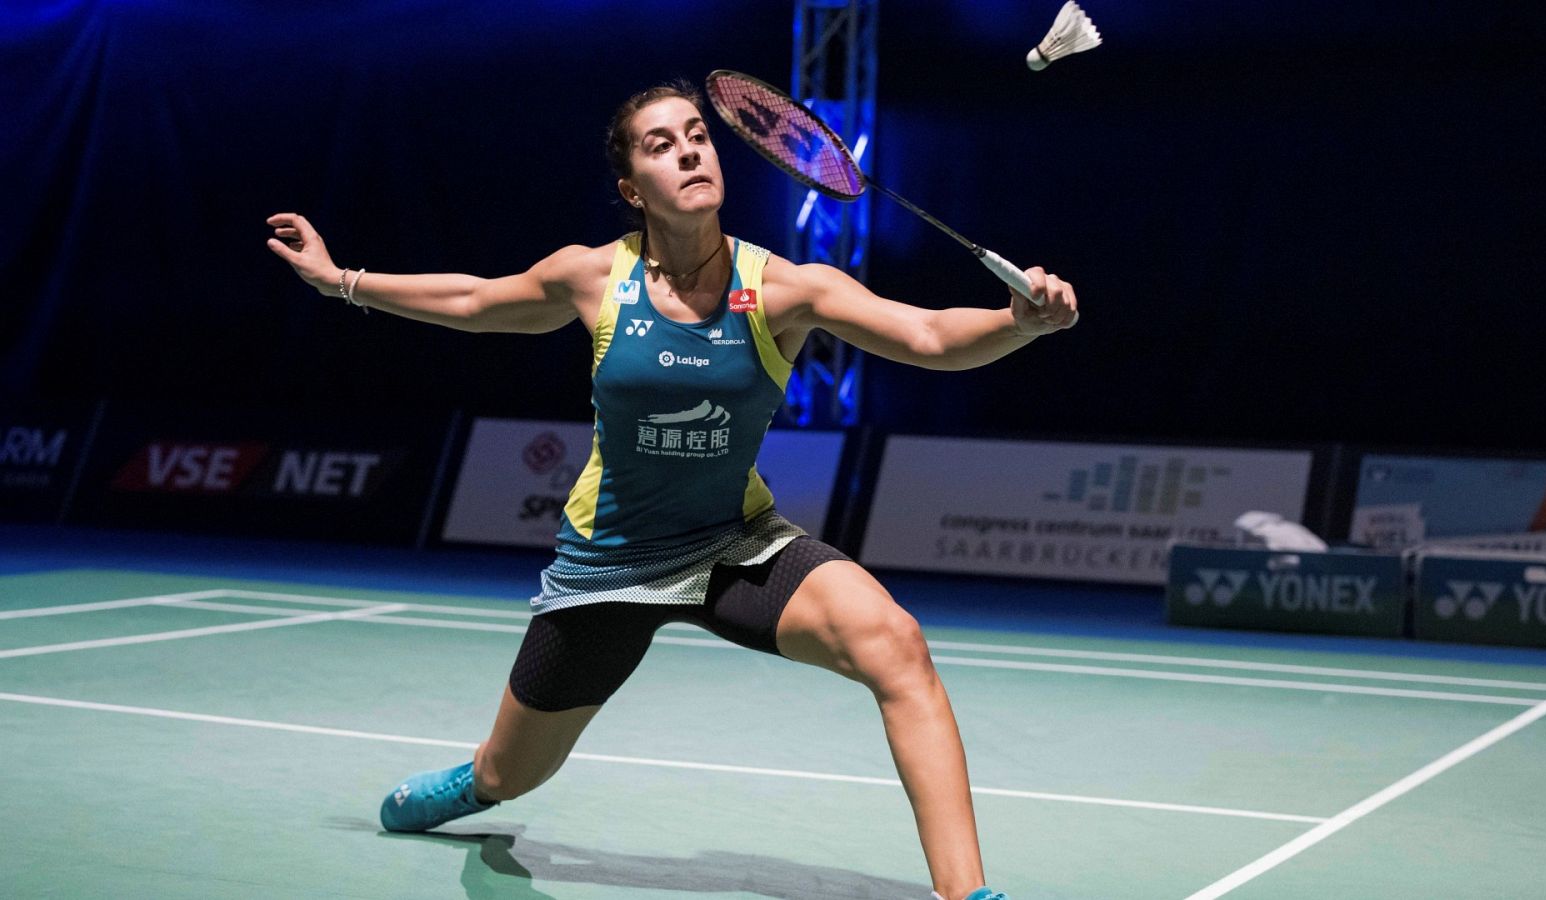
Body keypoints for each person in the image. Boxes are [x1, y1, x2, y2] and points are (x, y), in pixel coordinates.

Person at [266, 80, 1077, 900]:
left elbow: (932, 336)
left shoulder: (787, 289)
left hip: (735, 542)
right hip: (608, 564)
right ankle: (478, 783)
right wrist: (342, 279)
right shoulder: (593, 279)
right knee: (516, 773)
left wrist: (1017, 322)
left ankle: (966, 894)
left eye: (697, 135)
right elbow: (476, 300)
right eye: (661, 144)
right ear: (631, 189)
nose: (689, 149)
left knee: (896, 645)